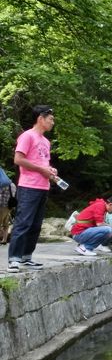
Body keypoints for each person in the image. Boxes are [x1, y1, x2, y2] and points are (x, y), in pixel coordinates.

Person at [7, 105, 58, 273]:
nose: (53, 122)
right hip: (28, 186)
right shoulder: (27, 136)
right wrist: (41, 169)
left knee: (36, 225)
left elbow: (43, 162)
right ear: (40, 118)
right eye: (50, 118)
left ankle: (26, 257)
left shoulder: (46, 142)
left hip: (43, 186)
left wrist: (50, 171)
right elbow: (18, 159)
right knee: (23, 223)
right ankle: (14, 258)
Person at [0, 176, 13, 245]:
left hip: (2, 205)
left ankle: (3, 238)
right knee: (6, 223)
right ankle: (4, 239)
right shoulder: (12, 184)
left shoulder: (3, 184)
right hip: (9, 206)